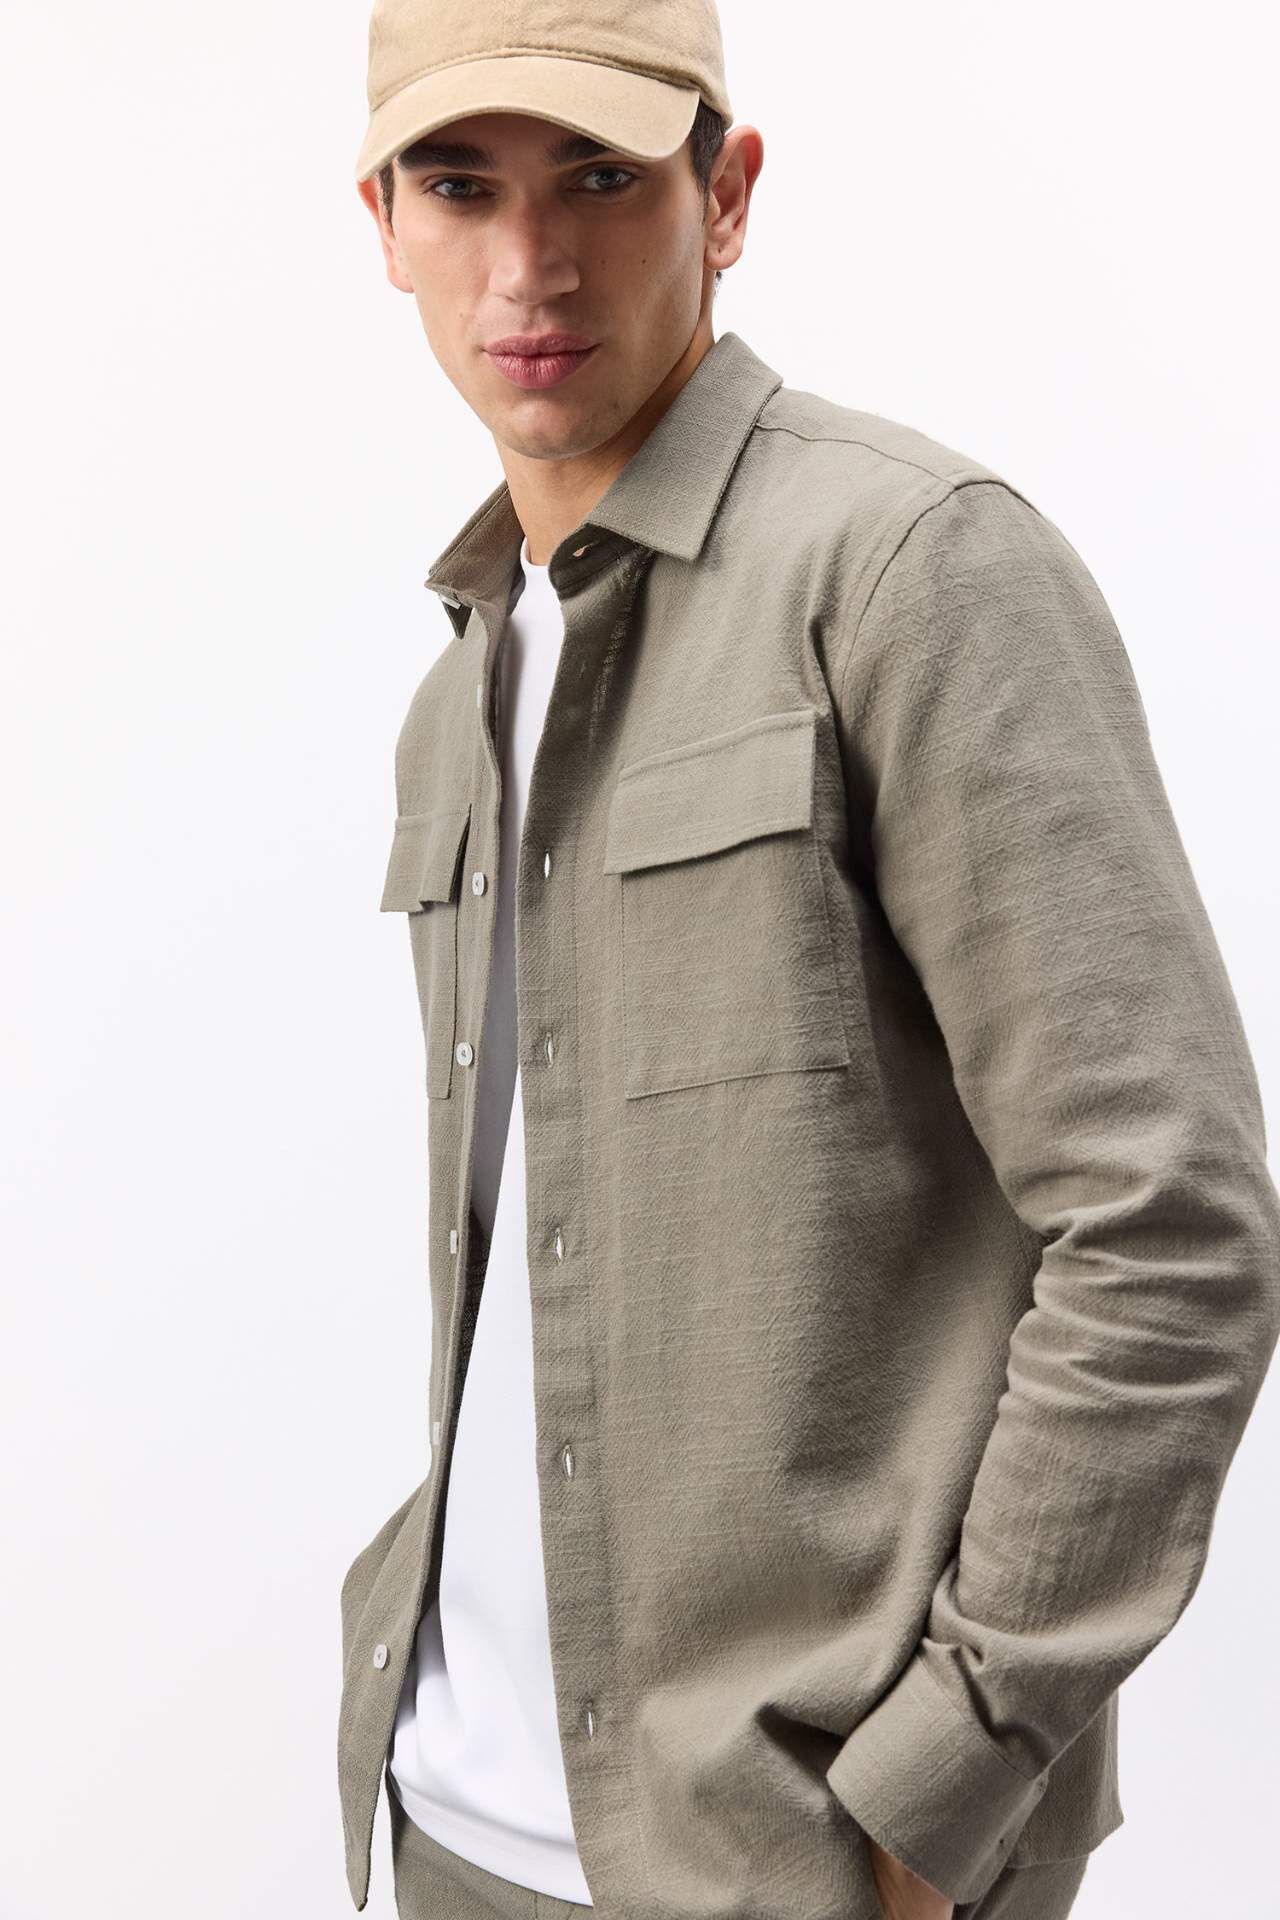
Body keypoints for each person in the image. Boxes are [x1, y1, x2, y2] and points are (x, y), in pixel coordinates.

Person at [337, 2, 1280, 1917]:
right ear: (386, 224)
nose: (530, 263)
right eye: (463, 187)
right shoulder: (460, 690)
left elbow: (1173, 1228)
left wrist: (945, 1784)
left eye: (600, 177)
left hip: (797, 1859)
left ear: (728, 194)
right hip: (450, 1823)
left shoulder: (913, 569)